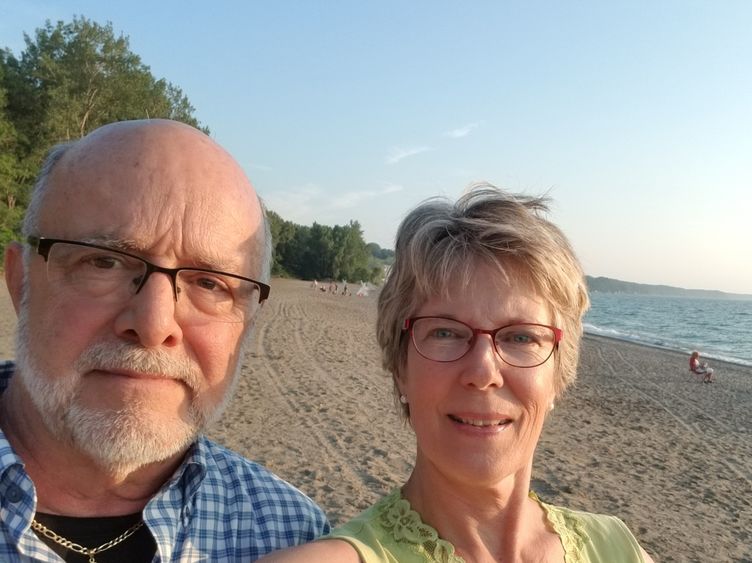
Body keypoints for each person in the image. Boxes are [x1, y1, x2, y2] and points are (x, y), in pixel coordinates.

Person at [262, 185, 654, 562]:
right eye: (445, 332)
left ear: (557, 375)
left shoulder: (616, 548)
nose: (484, 371)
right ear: (401, 367)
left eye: (520, 336)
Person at [0, 119, 329, 561]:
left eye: (211, 284)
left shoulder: (293, 536)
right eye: (104, 263)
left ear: (248, 321)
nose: (155, 325)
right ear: (20, 281)